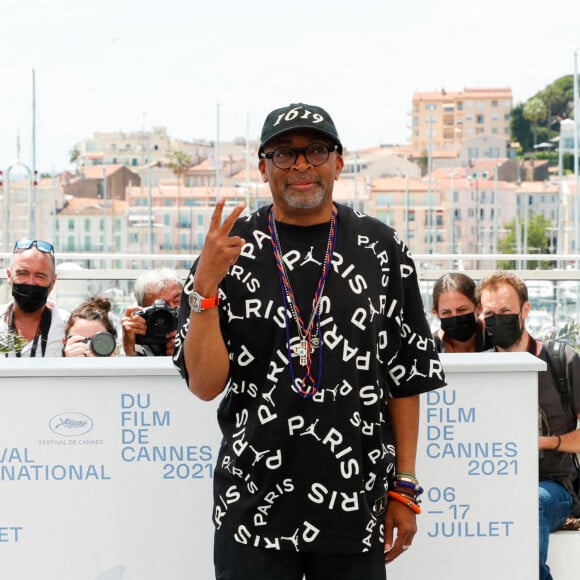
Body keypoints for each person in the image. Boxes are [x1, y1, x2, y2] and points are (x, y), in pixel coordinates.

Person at [173, 102, 446, 580]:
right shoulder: (228, 251)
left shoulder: (380, 249)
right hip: (252, 506)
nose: (301, 165)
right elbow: (204, 384)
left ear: (338, 162)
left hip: (355, 503)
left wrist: (405, 485)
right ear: (263, 167)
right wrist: (207, 290)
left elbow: (405, 376)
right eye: (284, 153)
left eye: (315, 150)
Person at [477, 271, 580, 580]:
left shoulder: (562, 360)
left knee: (529, 501)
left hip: (554, 487)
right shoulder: (479, 367)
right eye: (490, 313)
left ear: (525, 310)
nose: (498, 319)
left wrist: (542, 442)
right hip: (492, 484)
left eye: (506, 312)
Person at [0, 239, 67, 357]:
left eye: (40, 276)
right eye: (22, 273)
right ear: (9, 276)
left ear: (53, 281)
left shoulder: (68, 326)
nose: (31, 282)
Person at [121, 268, 182, 356]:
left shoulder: (199, 330)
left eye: (177, 301)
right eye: (161, 312)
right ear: (143, 312)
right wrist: (129, 349)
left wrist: (188, 356)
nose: (171, 312)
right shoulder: (140, 337)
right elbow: (132, 368)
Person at [431, 272, 489, 353]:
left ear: (478, 308)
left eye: (462, 310)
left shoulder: (495, 338)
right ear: (437, 313)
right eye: (446, 312)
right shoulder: (430, 348)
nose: (455, 317)